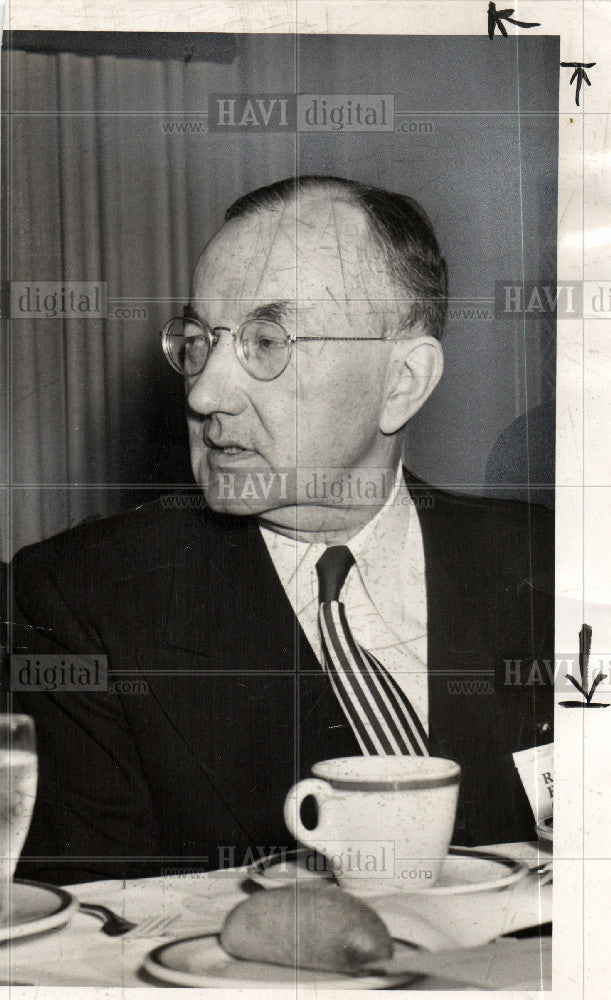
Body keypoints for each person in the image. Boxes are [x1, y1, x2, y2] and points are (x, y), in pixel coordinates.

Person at [8, 176, 553, 885]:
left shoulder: (550, 563)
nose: (204, 392)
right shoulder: (83, 600)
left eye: (268, 341)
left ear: (403, 381)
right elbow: (93, 949)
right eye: (199, 341)